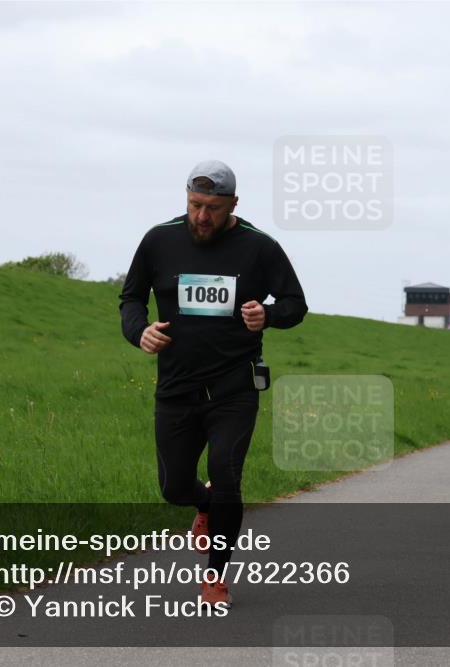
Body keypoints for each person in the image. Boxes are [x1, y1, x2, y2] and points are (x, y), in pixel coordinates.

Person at [119, 160, 307, 607]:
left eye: (214, 208)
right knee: (173, 487)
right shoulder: (158, 240)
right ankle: (201, 507)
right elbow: (130, 296)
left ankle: (215, 578)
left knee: (227, 480)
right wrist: (138, 330)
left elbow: (296, 304)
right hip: (176, 389)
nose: (202, 217)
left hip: (234, 390)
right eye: (195, 205)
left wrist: (270, 315)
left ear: (233, 205)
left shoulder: (259, 248)